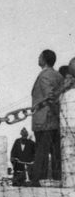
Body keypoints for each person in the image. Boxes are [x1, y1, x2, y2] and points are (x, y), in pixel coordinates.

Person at [30, 48, 64, 186]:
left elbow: (50, 97)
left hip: (44, 120)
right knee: (56, 153)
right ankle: (57, 180)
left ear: (44, 59)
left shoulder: (44, 76)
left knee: (41, 152)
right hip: (55, 120)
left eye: (40, 56)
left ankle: (37, 181)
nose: (38, 58)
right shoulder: (58, 76)